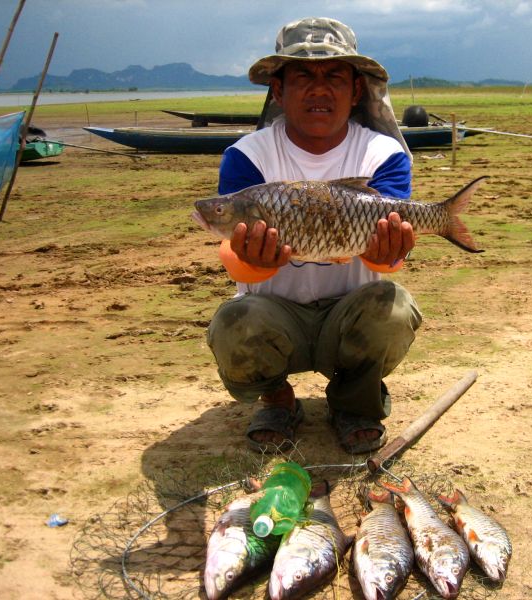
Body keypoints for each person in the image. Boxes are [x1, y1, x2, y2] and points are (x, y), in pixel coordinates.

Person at [205, 16, 422, 454]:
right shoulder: (248, 156)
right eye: (302, 76)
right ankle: (276, 397)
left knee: (395, 309)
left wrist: (387, 253)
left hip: (350, 314)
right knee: (233, 323)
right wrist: (252, 261)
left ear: (356, 90)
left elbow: (388, 262)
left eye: (334, 77)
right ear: (279, 91)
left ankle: (354, 403)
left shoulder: (384, 154)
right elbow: (230, 253)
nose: (319, 89)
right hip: (273, 315)